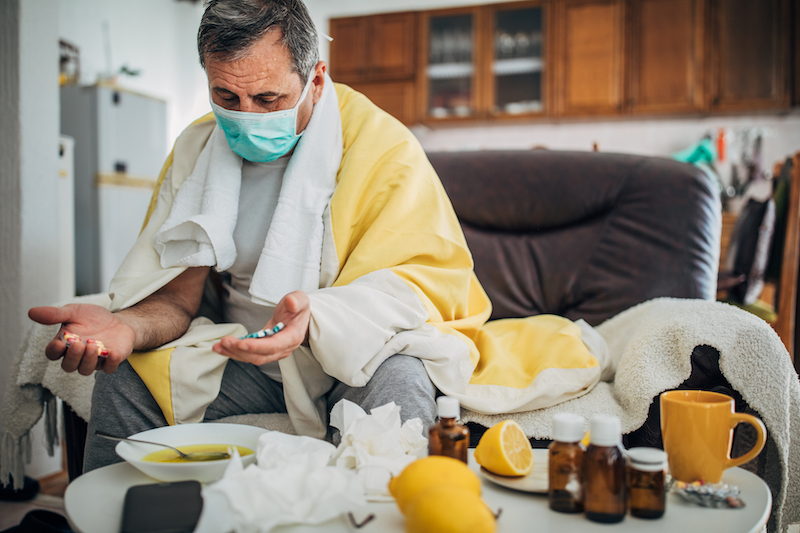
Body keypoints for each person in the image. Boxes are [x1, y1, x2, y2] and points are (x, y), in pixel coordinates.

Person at [29, 0, 606, 472]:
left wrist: (322, 318)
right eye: (226, 98)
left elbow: (423, 287)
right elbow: (178, 298)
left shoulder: (384, 146)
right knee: (124, 375)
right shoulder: (197, 147)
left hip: (359, 354)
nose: (246, 117)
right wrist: (128, 325)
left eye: (269, 99)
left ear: (316, 78)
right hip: (246, 355)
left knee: (402, 381)